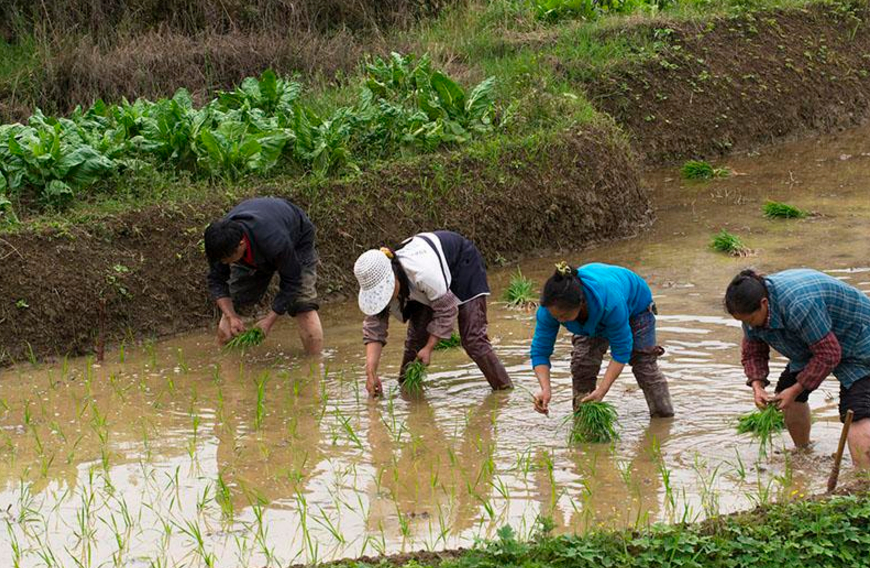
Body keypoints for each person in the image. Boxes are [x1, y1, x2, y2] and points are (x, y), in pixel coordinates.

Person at [726, 268, 870, 470]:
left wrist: (795, 390)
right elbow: (753, 350)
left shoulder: (799, 305)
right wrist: (757, 386)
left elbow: (829, 354)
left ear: (764, 304)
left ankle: (863, 482)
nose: (747, 325)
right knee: (785, 392)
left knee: (856, 410)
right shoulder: (751, 309)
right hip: (816, 339)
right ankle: (803, 451)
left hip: (860, 339)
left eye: (749, 320)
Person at [354, 230, 513, 397]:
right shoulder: (380, 279)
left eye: (385, 290)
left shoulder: (423, 273)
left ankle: (504, 390)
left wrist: (430, 347)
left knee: (472, 338)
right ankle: (408, 393)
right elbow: (375, 327)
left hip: (462, 264)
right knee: (415, 341)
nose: (384, 297)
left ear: (393, 276)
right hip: (425, 280)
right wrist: (370, 371)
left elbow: (447, 310)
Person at [530, 262, 674, 418]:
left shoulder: (611, 303)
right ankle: (584, 418)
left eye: (563, 317)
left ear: (581, 304)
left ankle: (663, 418)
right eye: (554, 316)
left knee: (644, 365)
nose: (558, 319)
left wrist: (602, 390)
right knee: (582, 365)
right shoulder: (549, 309)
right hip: (593, 317)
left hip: (635, 306)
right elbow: (540, 352)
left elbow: (621, 351)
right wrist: (545, 389)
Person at [204, 197, 323, 354]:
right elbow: (217, 281)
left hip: (296, 240)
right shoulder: (220, 243)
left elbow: (292, 282)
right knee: (234, 304)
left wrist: (268, 321)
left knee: (302, 303)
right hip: (255, 246)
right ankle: (226, 368)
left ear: (241, 244)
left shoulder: (274, 241)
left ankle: (314, 367)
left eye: (227, 260)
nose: (224, 263)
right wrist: (231, 315)